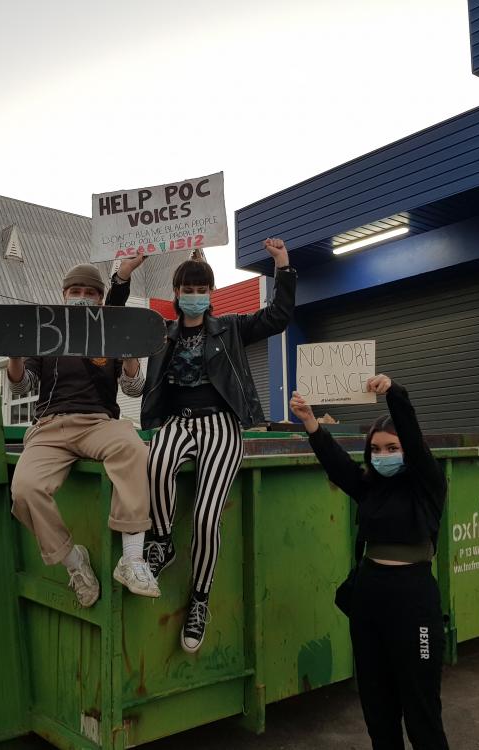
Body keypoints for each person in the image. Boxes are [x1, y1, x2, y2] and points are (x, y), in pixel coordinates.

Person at [141, 238, 296, 653]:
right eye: (187, 290)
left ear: (210, 294)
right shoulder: (161, 335)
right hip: (176, 423)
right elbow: (116, 326)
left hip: (221, 426)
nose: (194, 297)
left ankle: (199, 599)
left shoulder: (229, 328)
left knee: (208, 520)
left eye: (201, 289)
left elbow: (277, 317)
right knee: (155, 464)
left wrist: (282, 265)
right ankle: (161, 540)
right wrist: (124, 273)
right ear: (176, 294)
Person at [290, 375, 449, 750]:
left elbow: (411, 432)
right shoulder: (369, 488)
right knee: (378, 710)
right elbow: (338, 467)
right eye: (376, 450)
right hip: (369, 603)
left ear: (408, 451)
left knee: (422, 711)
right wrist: (311, 423)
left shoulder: (428, 485)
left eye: (391, 447)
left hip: (415, 606)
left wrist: (393, 393)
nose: (383, 456)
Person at [6, 256, 160, 607]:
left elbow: (133, 388)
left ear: (100, 299)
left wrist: (132, 357)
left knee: (134, 449)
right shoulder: (46, 331)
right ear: (63, 294)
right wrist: (14, 358)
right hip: (49, 426)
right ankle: (74, 562)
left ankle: (133, 558)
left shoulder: (110, 331)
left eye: (90, 293)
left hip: (97, 423)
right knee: (25, 490)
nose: (82, 297)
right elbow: (20, 388)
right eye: (75, 291)